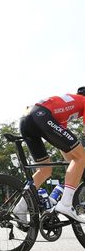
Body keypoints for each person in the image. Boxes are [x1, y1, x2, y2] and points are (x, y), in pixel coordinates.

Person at [15, 87, 85, 222]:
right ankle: (65, 204)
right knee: (81, 157)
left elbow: (64, 147)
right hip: (41, 116)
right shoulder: (83, 101)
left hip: (27, 119)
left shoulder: (67, 105)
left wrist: (76, 165)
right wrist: (80, 160)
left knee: (45, 170)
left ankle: (20, 207)